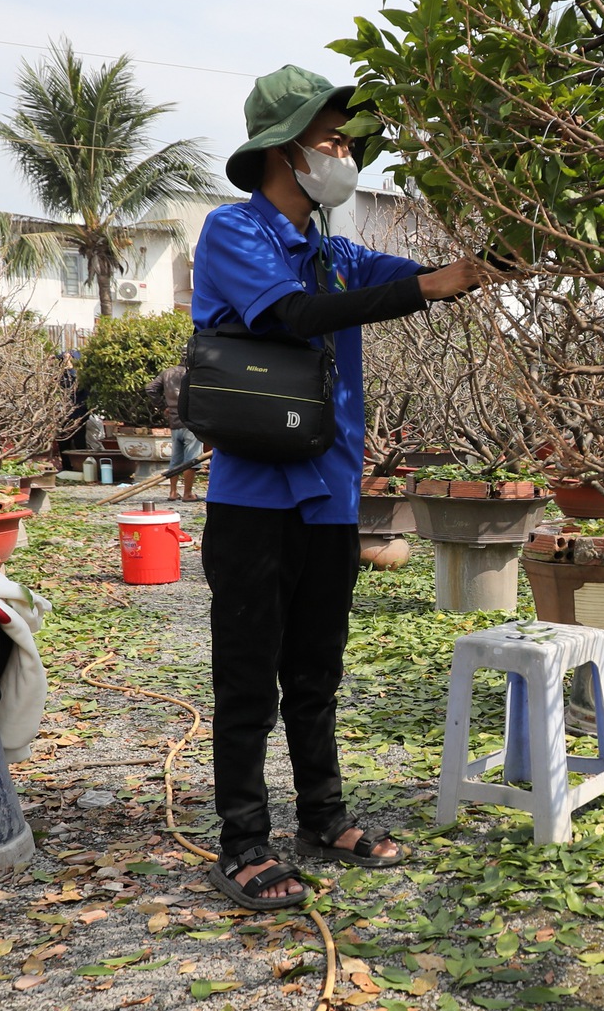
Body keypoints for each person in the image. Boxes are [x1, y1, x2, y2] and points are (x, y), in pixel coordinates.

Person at [191, 66, 493, 910]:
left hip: (328, 496)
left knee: (317, 670)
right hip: (252, 499)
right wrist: (424, 287)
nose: (346, 154)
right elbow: (292, 316)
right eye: (333, 139)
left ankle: (323, 816)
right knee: (248, 678)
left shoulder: (338, 252)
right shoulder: (233, 234)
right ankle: (245, 840)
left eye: (350, 142)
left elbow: (434, 276)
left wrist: (494, 258)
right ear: (284, 149)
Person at [143, 363, 203, 501]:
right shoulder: (195, 373)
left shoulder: (168, 372)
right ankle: (188, 494)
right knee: (191, 460)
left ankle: (173, 492)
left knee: (175, 459)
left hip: (174, 421)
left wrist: (163, 406)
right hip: (190, 421)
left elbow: (150, 388)